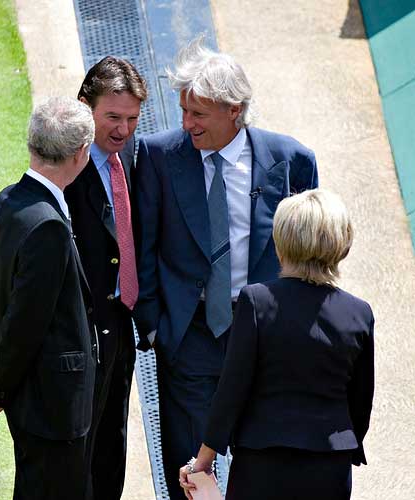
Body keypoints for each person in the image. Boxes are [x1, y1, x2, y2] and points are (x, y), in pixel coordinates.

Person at [132, 38, 318, 499]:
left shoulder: (291, 160)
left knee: (264, 465)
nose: (186, 123)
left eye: (198, 114)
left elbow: (313, 253)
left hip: (265, 337)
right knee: (192, 473)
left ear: (235, 109)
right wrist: (155, 326)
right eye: (183, 111)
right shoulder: (157, 155)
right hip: (189, 336)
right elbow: (143, 243)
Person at [179, 188, 375, 500]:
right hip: (330, 463)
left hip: (264, 459)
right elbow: (360, 399)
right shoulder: (359, 313)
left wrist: (204, 458)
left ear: (280, 244)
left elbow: (233, 386)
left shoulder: (257, 301)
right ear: (341, 243)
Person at [0, 97, 96, 499]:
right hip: (52, 406)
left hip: (30, 398)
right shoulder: (48, 227)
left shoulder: (2, 205)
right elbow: (24, 325)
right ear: (81, 153)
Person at [64, 56, 147, 500]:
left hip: (121, 322)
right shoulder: (65, 165)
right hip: (81, 330)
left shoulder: (133, 154)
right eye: (112, 117)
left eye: (132, 119)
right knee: (81, 446)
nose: (123, 129)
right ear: (85, 107)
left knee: (113, 440)